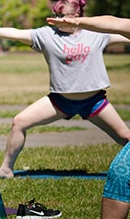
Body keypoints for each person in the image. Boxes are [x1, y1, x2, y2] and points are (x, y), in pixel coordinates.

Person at [0, 0, 130, 179]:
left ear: (76, 16)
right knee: (19, 122)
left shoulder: (96, 34)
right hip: (61, 101)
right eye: (55, 15)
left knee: (125, 137)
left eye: (62, 16)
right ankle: (6, 169)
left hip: (94, 102)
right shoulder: (47, 35)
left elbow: (124, 32)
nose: (56, 20)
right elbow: (15, 33)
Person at [47, 14, 130, 219]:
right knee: (120, 173)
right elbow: (116, 23)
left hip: (93, 101)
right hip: (65, 100)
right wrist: (77, 22)